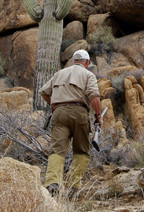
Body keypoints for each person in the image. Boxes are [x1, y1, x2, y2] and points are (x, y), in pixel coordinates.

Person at [39, 49, 103, 197]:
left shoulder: (59, 74)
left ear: (74, 61)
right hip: (79, 112)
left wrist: (55, 106)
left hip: (59, 113)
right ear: (86, 63)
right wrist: (98, 116)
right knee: (81, 151)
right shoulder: (88, 74)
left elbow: (43, 92)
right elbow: (94, 96)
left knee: (57, 151)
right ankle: (73, 189)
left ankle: (53, 184)